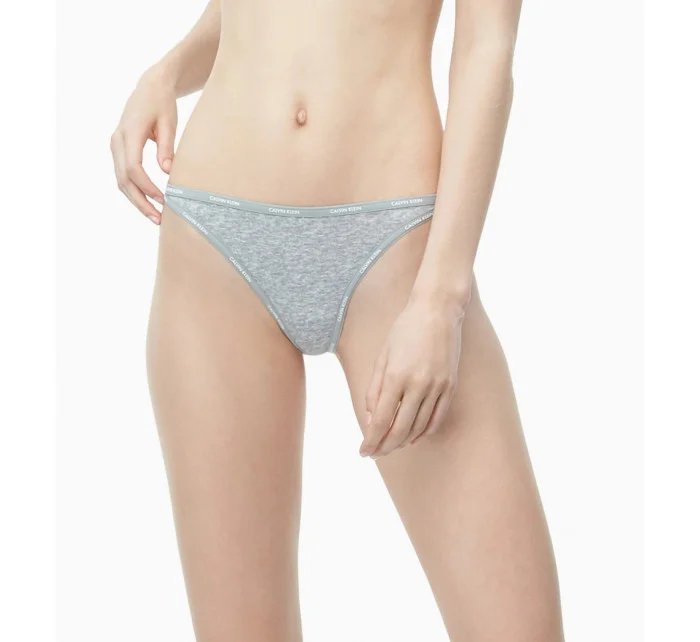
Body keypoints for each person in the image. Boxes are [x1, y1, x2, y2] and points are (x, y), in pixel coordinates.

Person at [110, 0, 564, 639]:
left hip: (397, 249)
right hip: (214, 240)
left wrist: (441, 298)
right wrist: (167, 70)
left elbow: (485, 45)